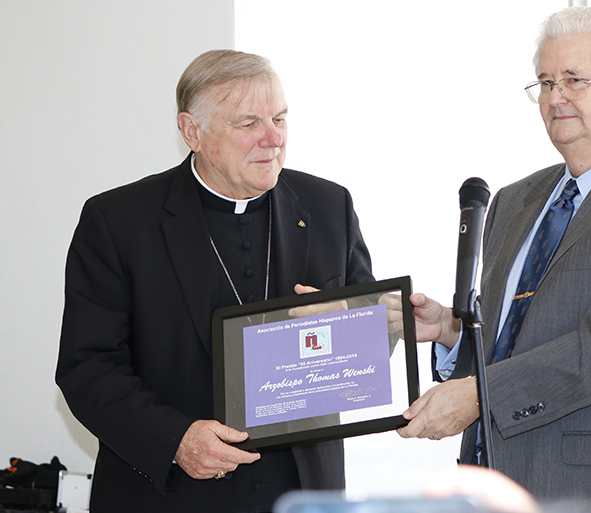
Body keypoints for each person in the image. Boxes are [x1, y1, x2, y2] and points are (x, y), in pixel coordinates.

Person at [392, 7, 591, 513]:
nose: (554, 97)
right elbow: (518, 340)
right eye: (544, 82)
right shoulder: (514, 200)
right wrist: (451, 332)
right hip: (502, 486)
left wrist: (480, 396)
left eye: (573, 80)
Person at [56, 49, 374, 512]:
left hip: (302, 492)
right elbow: (87, 368)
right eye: (248, 123)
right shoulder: (119, 221)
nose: (273, 139)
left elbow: (367, 342)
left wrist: (352, 326)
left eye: (280, 119)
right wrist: (176, 440)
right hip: (171, 493)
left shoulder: (328, 206)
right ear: (193, 132)